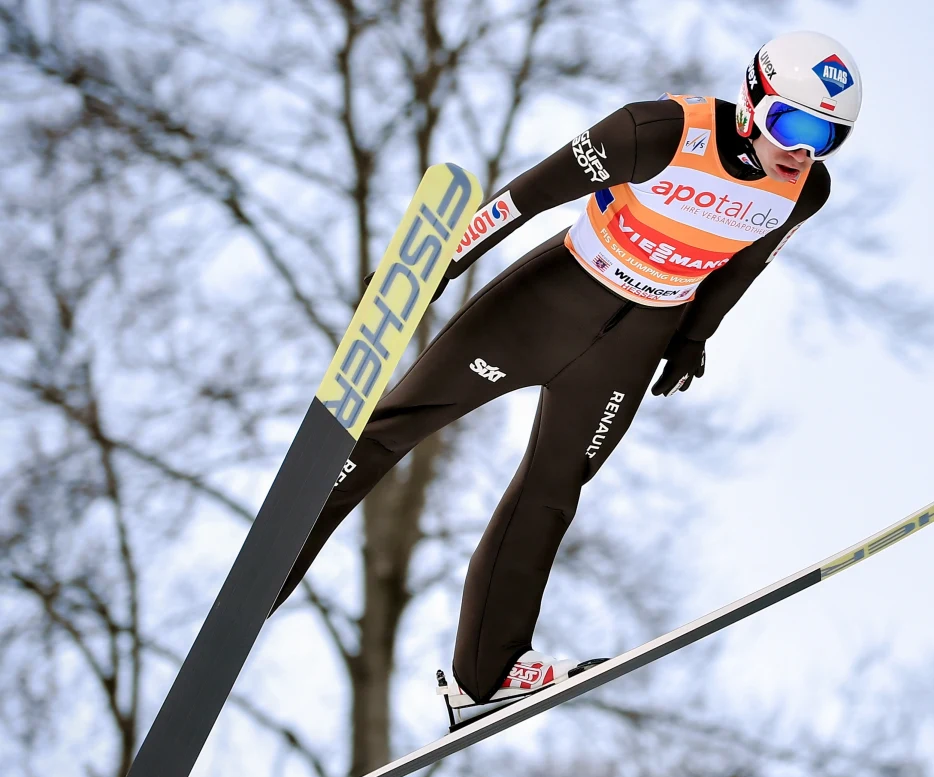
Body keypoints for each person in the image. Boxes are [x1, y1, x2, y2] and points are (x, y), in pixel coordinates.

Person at [272, 31, 863, 723]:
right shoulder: (659, 131)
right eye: (794, 123)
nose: (803, 148)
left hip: (634, 345)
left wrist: (694, 339)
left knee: (552, 493)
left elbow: (745, 264)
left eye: (828, 136)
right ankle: (271, 567)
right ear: (754, 96)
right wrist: (439, 264)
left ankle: (485, 678)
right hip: (549, 302)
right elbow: (524, 198)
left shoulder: (804, 190)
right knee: (398, 422)